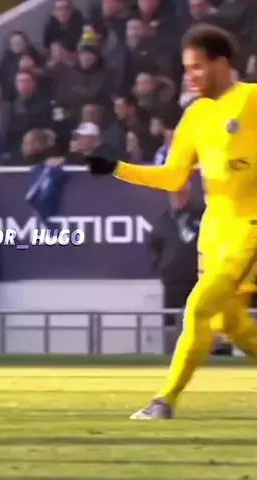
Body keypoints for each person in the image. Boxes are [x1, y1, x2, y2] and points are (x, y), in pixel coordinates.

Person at [86, 24, 257, 419]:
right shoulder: (196, 115)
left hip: (250, 227)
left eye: (197, 67)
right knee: (230, 323)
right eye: (186, 69)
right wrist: (117, 168)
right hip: (214, 232)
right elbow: (173, 177)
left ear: (221, 63)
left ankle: (164, 401)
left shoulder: (252, 99)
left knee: (197, 308)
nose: (190, 77)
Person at [148, 184, 203, 353]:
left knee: (202, 318)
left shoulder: (202, 216)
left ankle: (207, 354)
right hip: (172, 282)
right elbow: (153, 248)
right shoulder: (163, 220)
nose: (177, 197)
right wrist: (161, 269)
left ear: (188, 194)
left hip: (199, 280)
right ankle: (171, 353)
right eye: (174, 194)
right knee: (171, 320)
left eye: (181, 193)